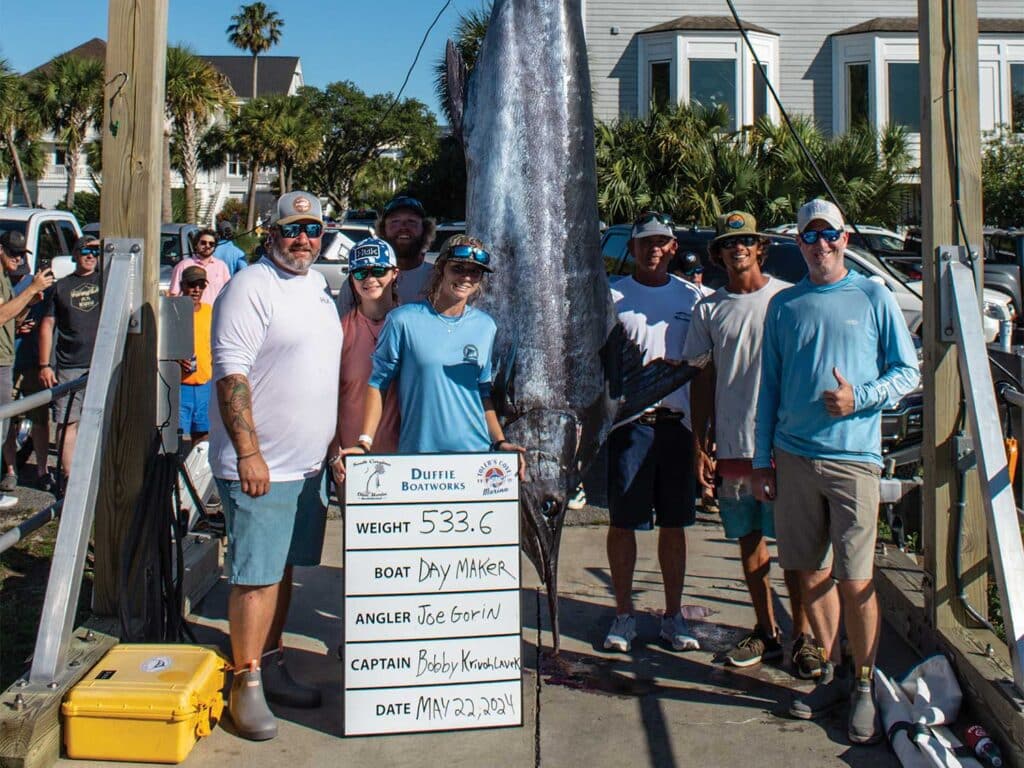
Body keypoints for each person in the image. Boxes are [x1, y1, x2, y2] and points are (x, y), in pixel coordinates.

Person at [753, 198, 919, 744]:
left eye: (830, 235)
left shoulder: (874, 295)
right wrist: (761, 461)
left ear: (846, 238)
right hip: (794, 457)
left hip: (854, 460)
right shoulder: (784, 305)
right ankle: (833, 672)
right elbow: (769, 388)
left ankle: (866, 682)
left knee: (856, 577)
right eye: (810, 236)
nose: (821, 245)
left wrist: (862, 398)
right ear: (797, 243)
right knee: (807, 571)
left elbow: (906, 371)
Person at [209, 191, 342, 741]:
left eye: (313, 230)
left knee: (283, 571)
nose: (304, 240)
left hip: (307, 468)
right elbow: (231, 376)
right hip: (261, 467)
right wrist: (248, 453)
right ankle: (245, 682)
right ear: (270, 234)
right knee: (255, 577)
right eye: (293, 230)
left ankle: (270, 659)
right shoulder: (249, 288)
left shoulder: (316, 287)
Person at [683, 210, 817, 675]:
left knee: (796, 549)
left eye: (746, 241)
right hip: (734, 446)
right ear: (718, 254)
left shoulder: (789, 298)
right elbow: (701, 379)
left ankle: (804, 636)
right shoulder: (708, 308)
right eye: (728, 242)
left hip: (786, 447)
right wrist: (699, 442)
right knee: (748, 541)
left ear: (760, 248)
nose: (737, 248)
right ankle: (766, 631)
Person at [336, 235, 524, 475]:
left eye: (475, 272)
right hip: (418, 457)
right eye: (457, 268)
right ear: (441, 269)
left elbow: (483, 391)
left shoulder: (486, 326)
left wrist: (499, 441)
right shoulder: (402, 319)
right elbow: (378, 383)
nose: (466, 277)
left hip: (475, 456)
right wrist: (364, 442)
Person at [603, 211, 704, 654]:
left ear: (673, 247)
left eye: (662, 241)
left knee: (675, 525)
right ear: (632, 248)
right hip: (629, 427)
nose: (654, 249)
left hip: (675, 427)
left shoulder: (697, 297)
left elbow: (706, 370)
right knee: (623, 523)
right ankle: (624, 615)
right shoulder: (610, 297)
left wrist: (706, 439)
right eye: (646, 242)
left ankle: (672, 616)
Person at [332, 238, 401, 474]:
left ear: (394, 273)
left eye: (379, 270)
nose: (370, 278)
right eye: (361, 272)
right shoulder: (338, 331)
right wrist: (333, 454)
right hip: (353, 455)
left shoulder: (413, 324)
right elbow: (327, 399)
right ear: (351, 279)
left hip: (407, 455)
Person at [0, 231, 54, 507]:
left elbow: (10, 317)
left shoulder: (7, 279)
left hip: (12, 357)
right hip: (3, 361)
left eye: (21, 254)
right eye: (12, 253)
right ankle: (7, 473)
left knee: (11, 422)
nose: (18, 259)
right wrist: (31, 290)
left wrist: (28, 305)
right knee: (3, 422)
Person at [335, 195, 436, 316]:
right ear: (383, 230)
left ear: (425, 230)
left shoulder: (438, 279)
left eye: (411, 221)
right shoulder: (361, 281)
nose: (403, 227)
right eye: (395, 222)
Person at [178, 266, 213, 444]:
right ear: (182, 285)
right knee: (175, 439)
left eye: (201, 285)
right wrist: (176, 359)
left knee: (203, 437)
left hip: (205, 385)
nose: (196, 290)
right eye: (192, 284)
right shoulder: (172, 310)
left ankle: (196, 473)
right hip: (179, 386)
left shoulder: (210, 311)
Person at [168, 228, 231, 304]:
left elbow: (228, 294)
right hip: (190, 313)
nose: (207, 246)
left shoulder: (222, 267)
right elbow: (174, 295)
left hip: (214, 314)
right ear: (196, 244)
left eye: (211, 244)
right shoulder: (183, 265)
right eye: (203, 243)